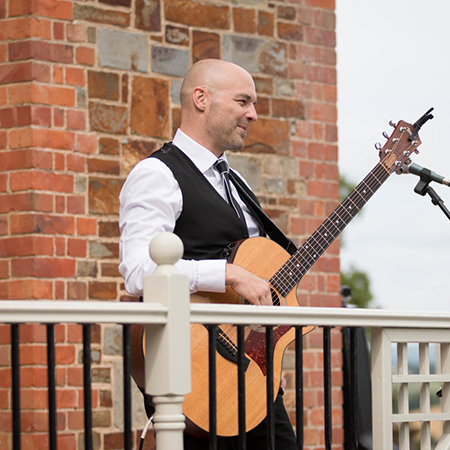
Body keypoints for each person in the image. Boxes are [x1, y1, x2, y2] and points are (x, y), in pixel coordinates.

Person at [119, 59, 297, 449]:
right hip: (192, 374)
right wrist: (229, 275)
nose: (253, 113)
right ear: (202, 99)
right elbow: (138, 270)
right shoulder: (157, 174)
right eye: (243, 101)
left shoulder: (236, 181)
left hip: (250, 375)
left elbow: (259, 279)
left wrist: (265, 357)